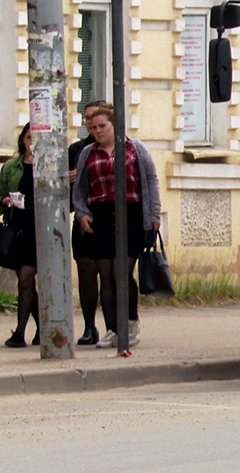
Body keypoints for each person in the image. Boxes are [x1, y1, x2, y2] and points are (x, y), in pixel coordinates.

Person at [71, 106, 161, 349]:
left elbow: (151, 181)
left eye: (102, 126)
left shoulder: (134, 148)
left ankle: (130, 325)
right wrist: (82, 214)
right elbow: (79, 188)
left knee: (122, 271)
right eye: (94, 127)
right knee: (106, 275)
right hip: (99, 215)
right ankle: (112, 329)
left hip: (130, 213)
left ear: (116, 125)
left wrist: (153, 214)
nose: (97, 130)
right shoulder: (88, 153)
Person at [68, 99, 109, 346]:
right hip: (82, 215)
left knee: (108, 273)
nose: (92, 126)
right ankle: (89, 326)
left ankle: (115, 326)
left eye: (96, 120)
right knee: (85, 271)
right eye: (87, 120)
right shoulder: (78, 149)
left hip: (107, 217)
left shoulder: (120, 148)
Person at [0, 124, 40, 348]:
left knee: (26, 278)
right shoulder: (12, 167)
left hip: (41, 229)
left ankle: (19, 332)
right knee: (26, 283)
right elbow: (0, 194)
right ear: (23, 140)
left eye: (36, 138)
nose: (32, 142)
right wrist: (5, 201)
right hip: (18, 228)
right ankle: (41, 330)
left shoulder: (50, 165)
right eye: (29, 137)